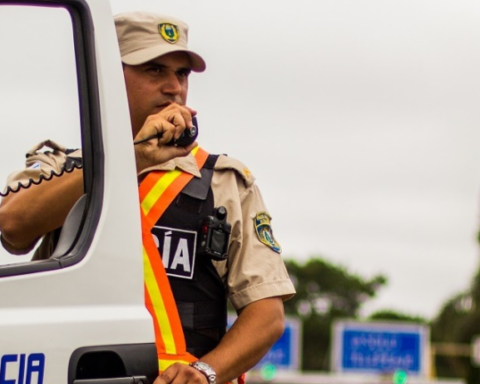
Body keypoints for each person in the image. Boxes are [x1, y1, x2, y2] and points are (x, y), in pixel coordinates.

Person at [0, 11, 296, 384]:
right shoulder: (62, 167)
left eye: (182, 74)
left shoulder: (225, 182)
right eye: (154, 70)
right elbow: (13, 228)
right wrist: (132, 156)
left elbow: (267, 315)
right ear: (108, 76)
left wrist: (205, 373)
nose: (174, 87)